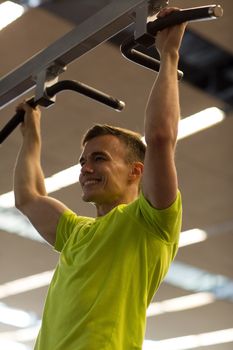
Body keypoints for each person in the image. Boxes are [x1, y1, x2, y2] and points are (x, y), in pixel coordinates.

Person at [14, 7, 186, 350]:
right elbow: (28, 197)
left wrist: (169, 54)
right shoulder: (76, 232)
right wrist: (31, 134)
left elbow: (161, 137)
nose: (85, 168)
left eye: (99, 159)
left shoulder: (150, 223)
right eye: (82, 161)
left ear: (137, 171)